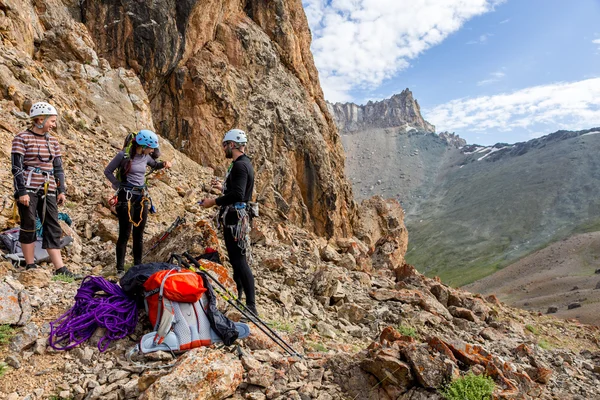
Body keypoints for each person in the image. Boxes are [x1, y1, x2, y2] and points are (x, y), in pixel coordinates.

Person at [10, 101, 79, 277]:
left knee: (52, 225)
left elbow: (58, 168)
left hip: (48, 188)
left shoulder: (53, 142)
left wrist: (61, 190)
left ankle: (60, 268)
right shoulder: (21, 138)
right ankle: (30, 265)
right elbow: (16, 168)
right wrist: (22, 192)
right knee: (29, 224)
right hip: (28, 188)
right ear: (40, 119)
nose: (54, 125)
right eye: (52, 121)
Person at [201, 129, 257, 316]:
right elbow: (236, 190)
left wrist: (213, 202)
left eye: (225, 145)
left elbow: (238, 194)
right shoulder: (242, 164)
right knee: (236, 259)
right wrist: (222, 188)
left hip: (235, 218)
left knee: (240, 261)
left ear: (232, 145)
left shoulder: (240, 166)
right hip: (235, 216)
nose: (223, 148)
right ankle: (239, 298)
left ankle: (251, 306)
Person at [104, 129, 172, 274]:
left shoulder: (146, 157)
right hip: (126, 197)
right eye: (151, 147)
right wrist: (117, 184)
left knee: (139, 234)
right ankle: (120, 269)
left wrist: (164, 164)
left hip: (141, 197)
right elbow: (108, 171)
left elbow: (155, 165)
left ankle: (138, 266)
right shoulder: (123, 155)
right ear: (142, 145)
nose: (153, 150)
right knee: (125, 233)